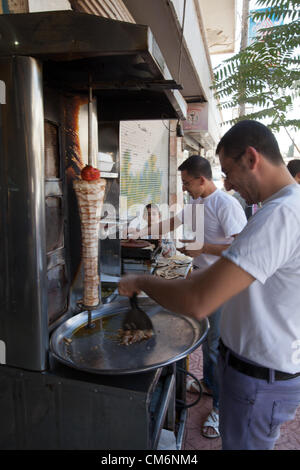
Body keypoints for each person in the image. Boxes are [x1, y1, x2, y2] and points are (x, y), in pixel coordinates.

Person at [119, 120, 300, 450]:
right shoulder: (278, 208)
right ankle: (214, 391)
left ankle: (214, 407)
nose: (229, 184)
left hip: (260, 379)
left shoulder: (282, 213)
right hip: (253, 371)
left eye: (229, 172)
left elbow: (200, 300)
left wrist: (141, 281)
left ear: (251, 158)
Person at [129, 155, 248, 438]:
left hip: (221, 284)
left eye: (186, 183)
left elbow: (242, 247)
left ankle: (220, 408)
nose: (184, 188)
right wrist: (136, 233)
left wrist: (204, 248)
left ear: (202, 179)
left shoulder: (225, 204)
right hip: (200, 278)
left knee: (217, 345)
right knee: (207, 340)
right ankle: (209, 383)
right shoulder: (196, 204)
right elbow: (171, 222)